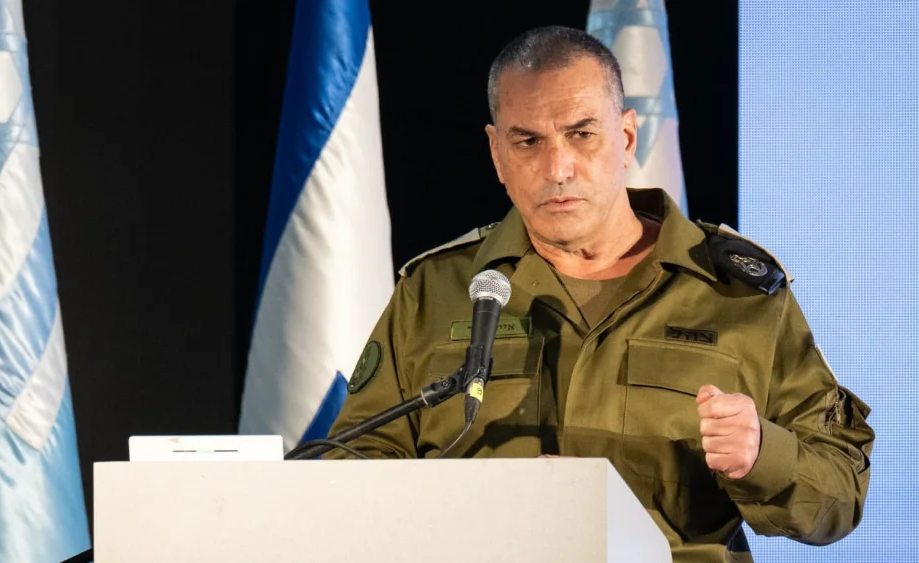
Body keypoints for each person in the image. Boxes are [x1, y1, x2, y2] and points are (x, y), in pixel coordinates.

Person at [324, 25, 874, 562]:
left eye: (581, 134)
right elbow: (354, 464)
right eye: (528, 141)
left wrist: (761, 455)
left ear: (627, 137)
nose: (557, 168)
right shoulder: (434, 291)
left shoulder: (738, 293)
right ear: (496, 153)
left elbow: (841, 493)